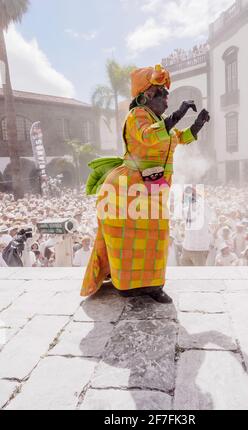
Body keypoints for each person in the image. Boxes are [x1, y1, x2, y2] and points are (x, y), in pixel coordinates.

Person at [81, 64, 210, 303]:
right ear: (146, 96)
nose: (168, 98)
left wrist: (197, 125)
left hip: (153, 190)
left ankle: (153, 285)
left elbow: (177, 137)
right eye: (162, 93)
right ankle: (126, 286)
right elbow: (149, 135)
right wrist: (178, 115)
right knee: (126, 239)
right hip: (128, 190)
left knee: (158, 237)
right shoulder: (137, 116)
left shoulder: (159, 120)